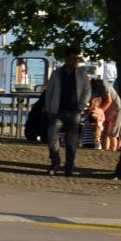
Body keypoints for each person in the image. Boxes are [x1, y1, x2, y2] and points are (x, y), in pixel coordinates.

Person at [44, 47, 92, 176]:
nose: (75, 61)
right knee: (51, 137)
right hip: (57, 110)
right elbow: (49, 91)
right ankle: (55, 161)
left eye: (77, 59)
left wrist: (81, 107)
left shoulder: (82, 74)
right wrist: (49, 107)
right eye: (73, 59)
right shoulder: (57, 73)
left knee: (71, 141)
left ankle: (69, 166)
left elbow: (87, 90)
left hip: (74, 111)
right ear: (66, 59)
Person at [94, 77, 121, 151]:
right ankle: (105, 153)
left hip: (116, 109)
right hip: (106, 111)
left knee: (112, 134)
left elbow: (108, 100)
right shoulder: (92, 87)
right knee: (105, 134)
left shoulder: (101, 83)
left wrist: (99, 112)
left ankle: (112, 153)